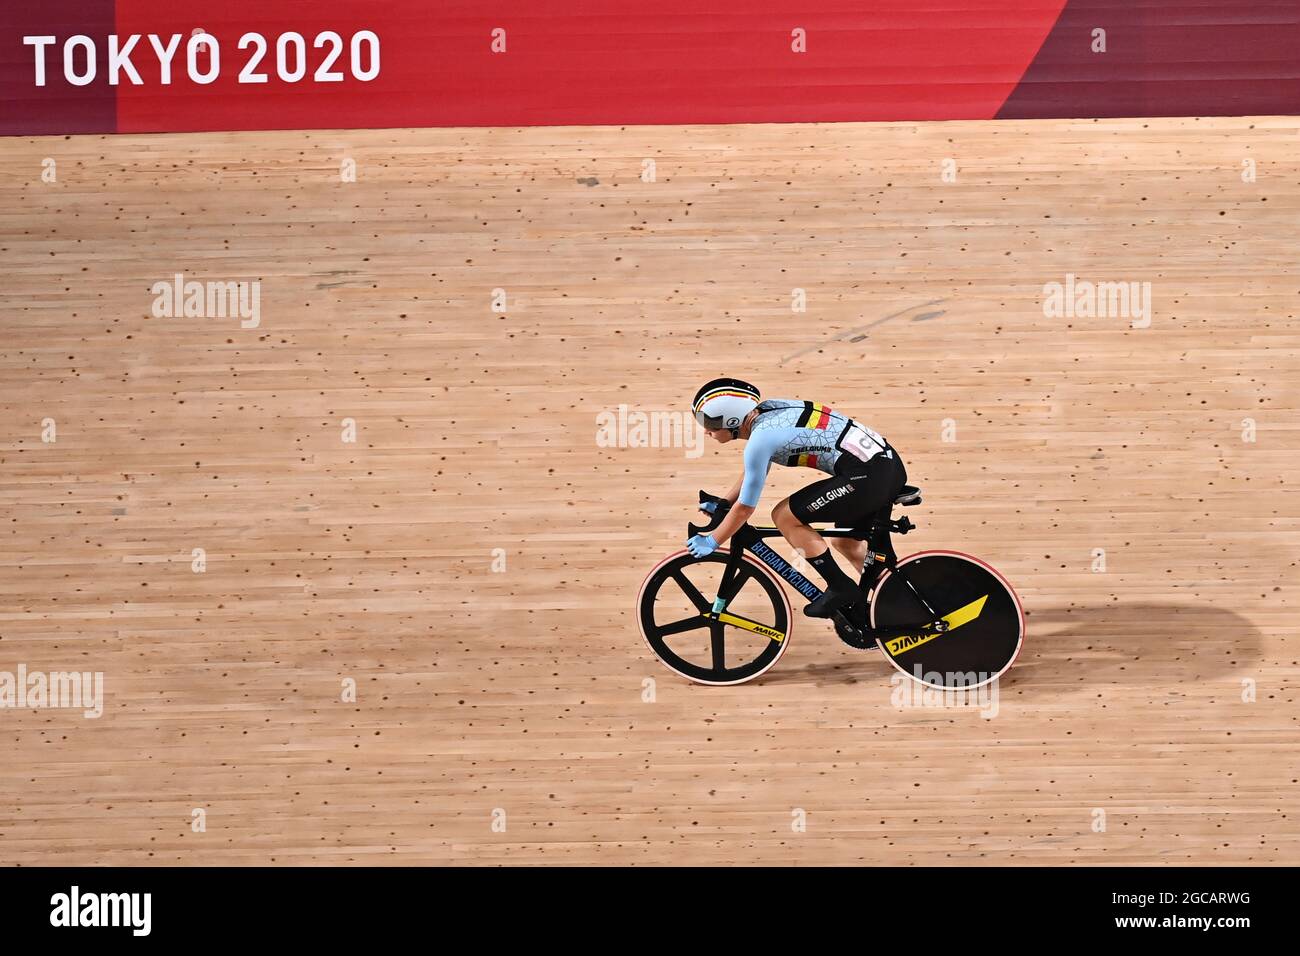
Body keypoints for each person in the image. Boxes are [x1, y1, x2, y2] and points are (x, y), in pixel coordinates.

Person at [686, 377, 908, 618]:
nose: (706, 430)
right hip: (884, 466)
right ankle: (899, 605)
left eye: (709, 422)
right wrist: (725, 503)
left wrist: (713, 541)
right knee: (847, 543)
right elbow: (755, 471)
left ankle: (839, 587)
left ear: (731, 419)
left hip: (868, 476)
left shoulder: (761, 439)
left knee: (784, 516)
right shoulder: (769, 412)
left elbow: (745, 510)